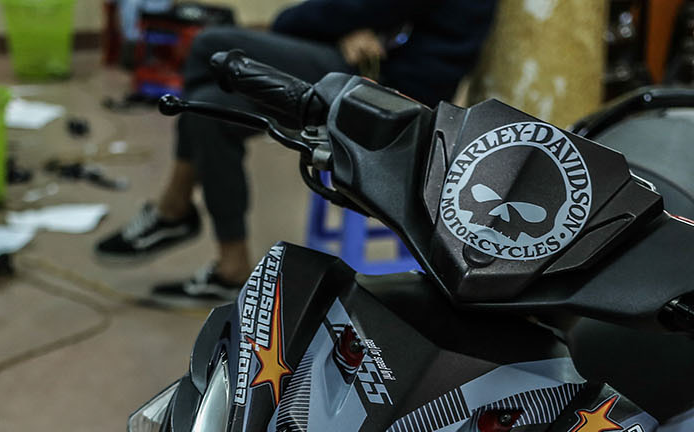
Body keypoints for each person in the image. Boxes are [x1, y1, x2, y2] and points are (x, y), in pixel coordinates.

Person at [97, 0, 498, 306]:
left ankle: (173, 209)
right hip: (375, 70)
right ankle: (231, 265)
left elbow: (354, 9)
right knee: (209, 108)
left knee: (210, 44)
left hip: (387, 92)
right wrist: (355, 28)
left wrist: (313, 22)